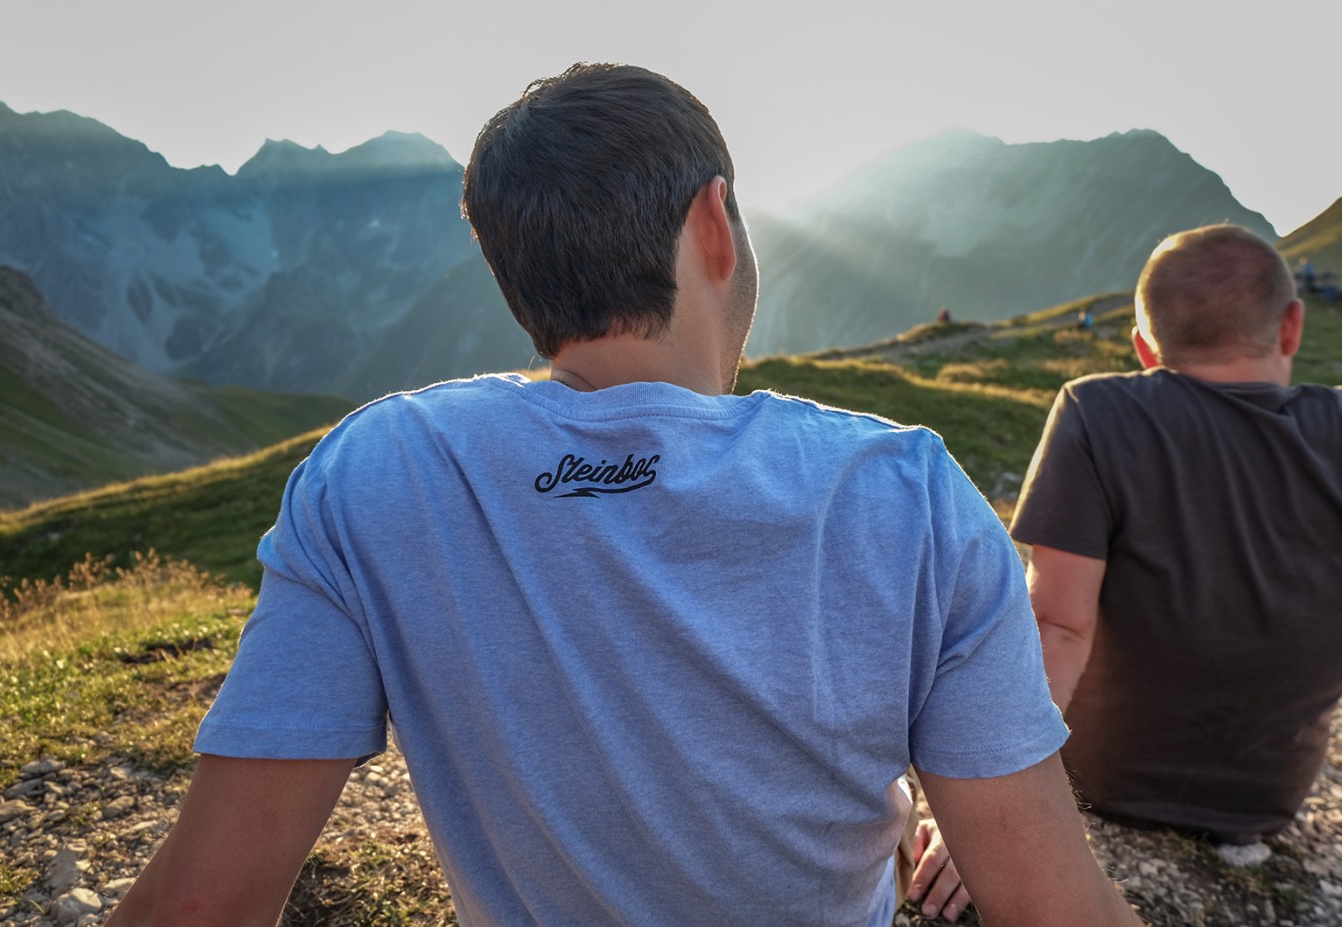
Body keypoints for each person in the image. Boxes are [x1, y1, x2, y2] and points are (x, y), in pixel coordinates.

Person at [107, 63, 1138, 927]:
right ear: (715, 223)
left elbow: (208, 902)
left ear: (509, 266)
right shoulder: (901, 489)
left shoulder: (380, 471)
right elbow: (1051, 907)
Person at [1009, 224, 1342, 861]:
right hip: (1264, 802)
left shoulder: (1098, 411)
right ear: (1292, 326)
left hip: (1099, 779)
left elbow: (1056, 626)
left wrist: (1002, 813)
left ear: (1144, 348)